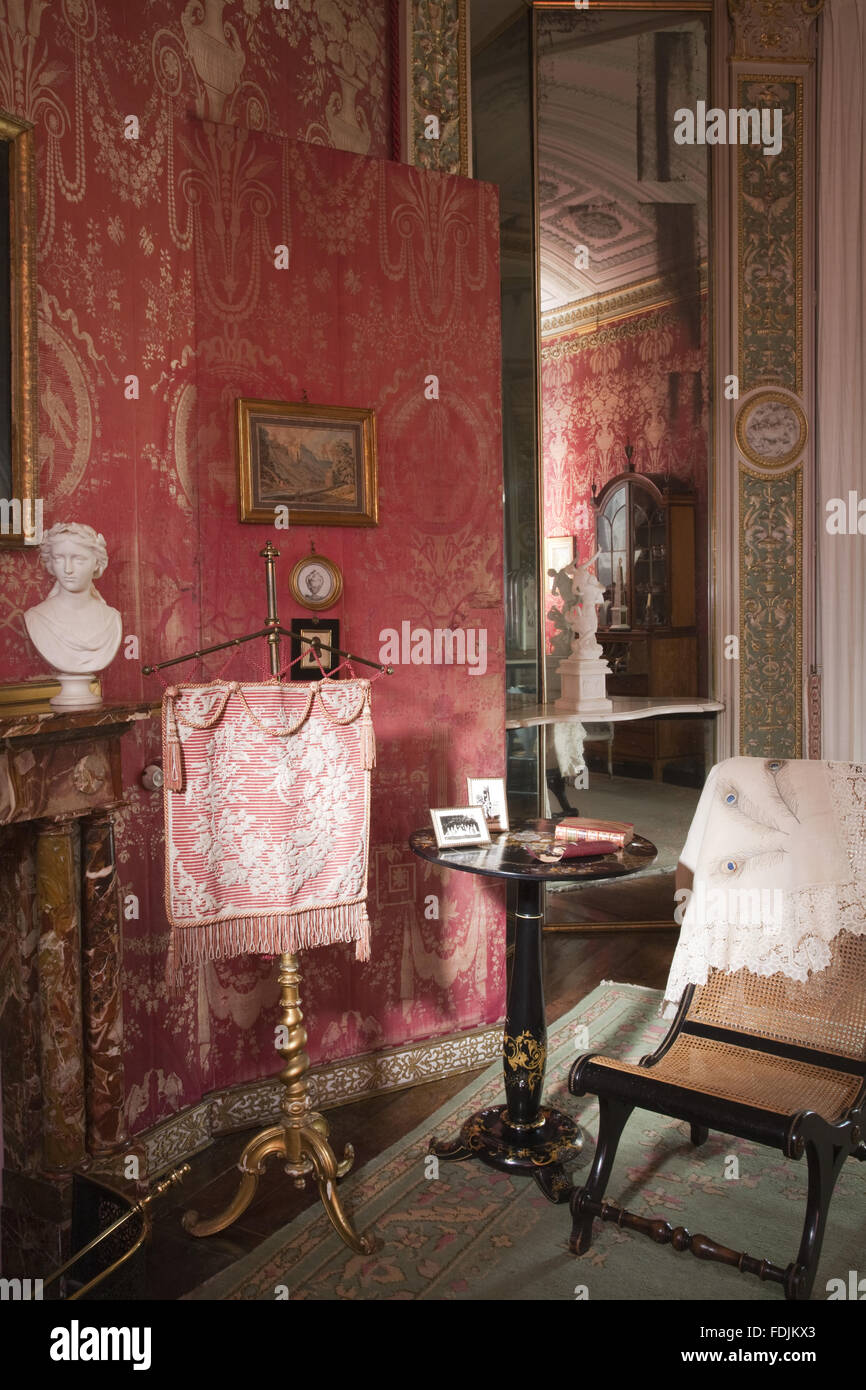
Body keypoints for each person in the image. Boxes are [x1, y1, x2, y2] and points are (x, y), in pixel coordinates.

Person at [24, 522, 122, 676]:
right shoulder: (37, 618)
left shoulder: (112, 619)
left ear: (97, 563)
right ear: (50, 562)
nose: (67, 569)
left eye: (78, 559)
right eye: (58, 558)